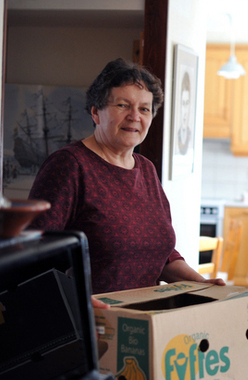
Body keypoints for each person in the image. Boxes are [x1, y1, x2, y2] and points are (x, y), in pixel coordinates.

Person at [28, 58, 224, 297]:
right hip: (91, 324)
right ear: (95, 112)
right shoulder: (69, 165)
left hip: (141, 319)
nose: (134, 116)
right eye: (122, 105)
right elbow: (33, 256)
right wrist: (79, 304)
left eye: (144, 109)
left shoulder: (146, 170)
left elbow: (163, 255)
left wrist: (202, 284)